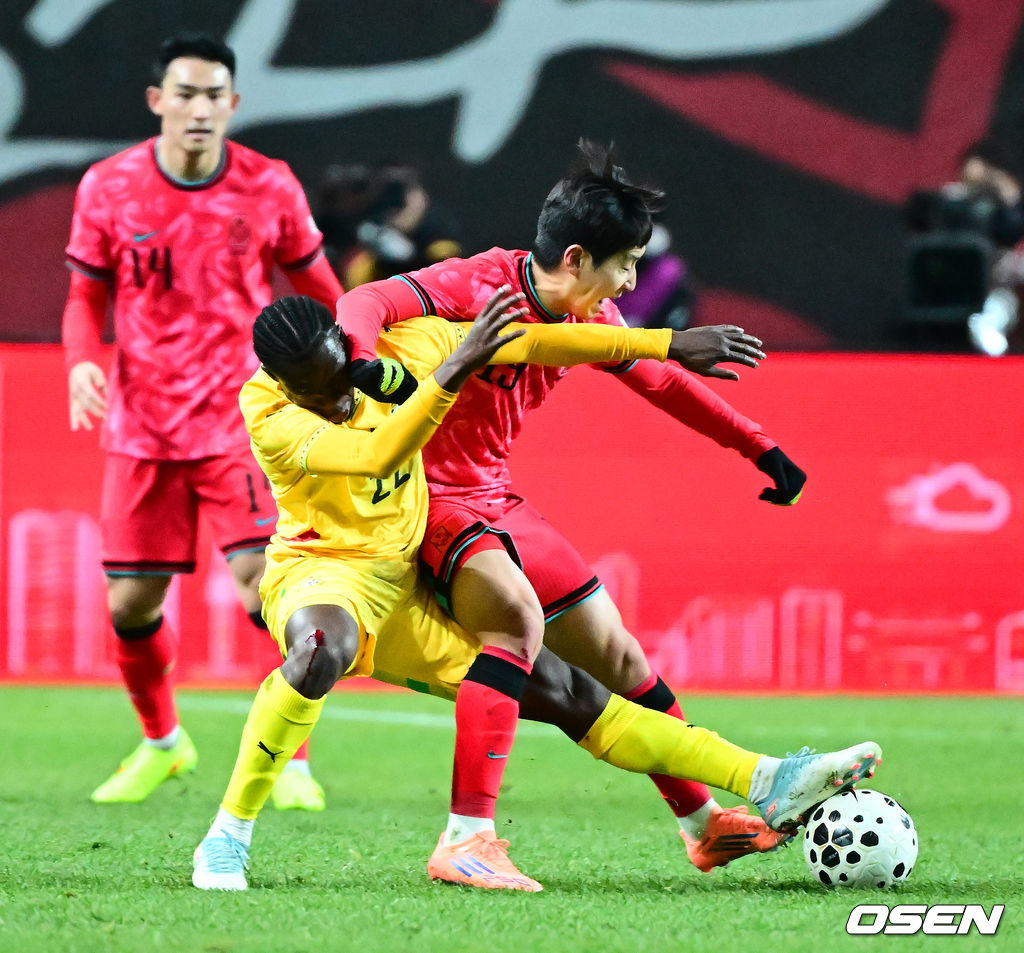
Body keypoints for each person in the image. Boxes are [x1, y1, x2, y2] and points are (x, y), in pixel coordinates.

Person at [190, 294, 880, 892]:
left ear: (348, 345)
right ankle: (228, 835)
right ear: (283, 384)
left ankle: (763, 778)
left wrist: (662, 341)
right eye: (314, 393)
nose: (334, 398)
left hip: (405, 585)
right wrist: (453, 372)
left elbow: (543, 339)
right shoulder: (268, 409)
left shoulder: (401, 350)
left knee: (570, 690)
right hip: (321, 571)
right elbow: (377, 452)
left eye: (338, 377)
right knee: (321, 647)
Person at [335, 139, 808, 873]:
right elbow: (365, 300)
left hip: (493, 495)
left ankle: (704, 821)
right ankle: (465, 838)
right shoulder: (474, 284)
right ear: (579, 259)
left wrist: (757, 445)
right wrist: (366, 361)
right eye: (626, 263)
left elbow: (662, 380)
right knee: (517, 627)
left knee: (620, 656)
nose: (631, 280)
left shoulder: (591, 318)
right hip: (423, 501)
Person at [61, 32, 345, 810]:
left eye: (213, 94)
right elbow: (86, 295)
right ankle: (163, 742)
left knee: (267, 592)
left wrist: (347, 367)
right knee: (130, 607)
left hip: (243, 420)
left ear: (233, 104)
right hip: (141, 425)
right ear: (157, 101)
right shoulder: (108, 188)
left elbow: (321, 287)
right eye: (184, 93)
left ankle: (290, 760)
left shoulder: (269, 186)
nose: (199, 108)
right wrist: (82, 360)